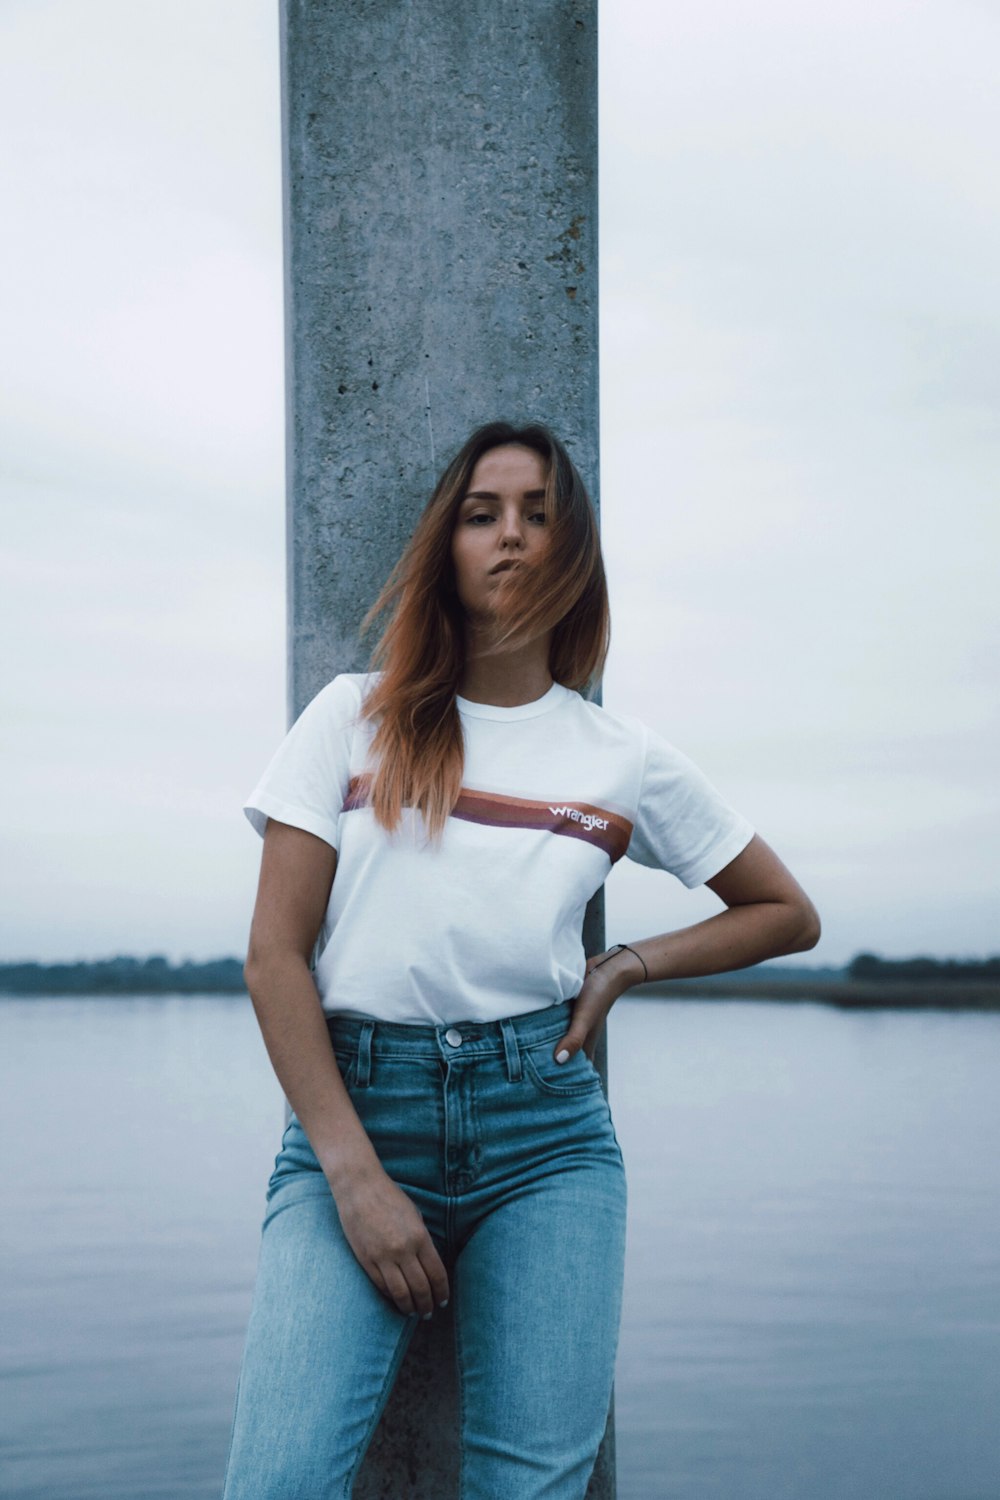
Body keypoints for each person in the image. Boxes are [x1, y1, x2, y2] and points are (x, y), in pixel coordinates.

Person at [221, 420, 820, 1499]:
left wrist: (627, 965)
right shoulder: (352, 719)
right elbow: (274, 959)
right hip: (358, 1122)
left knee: (531, 1486)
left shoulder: (618, 755)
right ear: (445, 543)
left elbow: (783, 911)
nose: (509, 536)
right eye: (482, 512)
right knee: (278, 1482)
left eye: (538, 515)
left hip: (545, 1136)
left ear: (572, 549)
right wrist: (354, 1177)